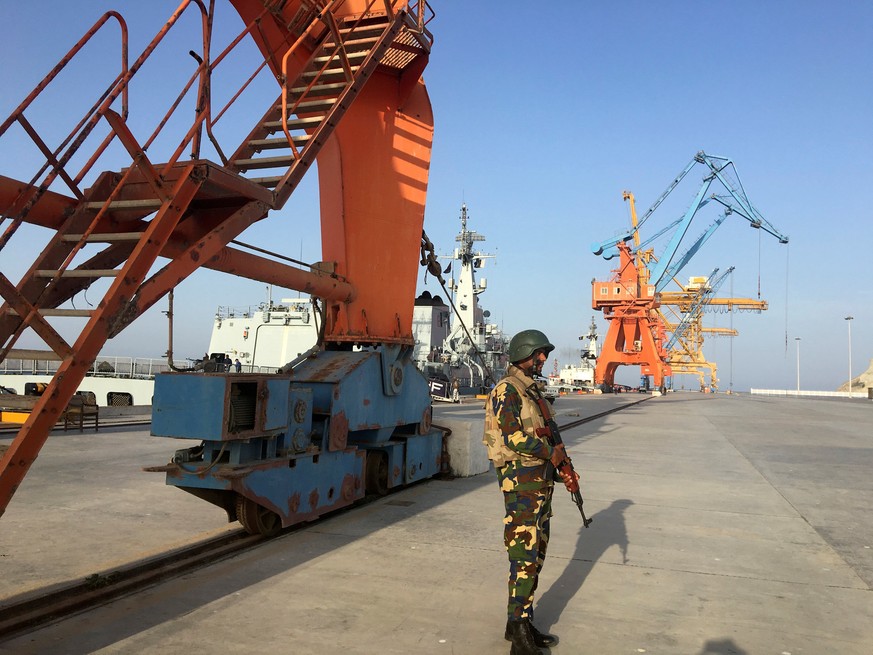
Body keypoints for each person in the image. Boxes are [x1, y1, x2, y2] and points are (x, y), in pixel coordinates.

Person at [482, 329, 578, 655]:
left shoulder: (532, 393)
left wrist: (563, 465)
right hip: (521, 486)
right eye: (539, 353)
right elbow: (513, 438)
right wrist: (548, 452)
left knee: (536, 555)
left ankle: (520, 622)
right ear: (524, 353)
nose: (543, 360)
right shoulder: (507, 392)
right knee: (523, 557)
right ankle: (519, 637)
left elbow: (550, 437)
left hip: (539, 485)